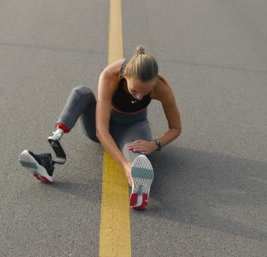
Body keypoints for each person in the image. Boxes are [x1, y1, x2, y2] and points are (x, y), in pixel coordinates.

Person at [19, 45, 182, 210]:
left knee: (137, 157)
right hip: (100, 127)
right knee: (81, 92)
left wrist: (155, 144)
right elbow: (101, 131)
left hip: (133, 127)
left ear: (153, 83)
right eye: (135, 90)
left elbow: (175, 128)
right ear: (125, 76)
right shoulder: (110, 76)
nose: (140, 97)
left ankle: (139, 189)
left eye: (145, 92)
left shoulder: (161, 88)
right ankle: (51, 150)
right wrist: (124, 165)